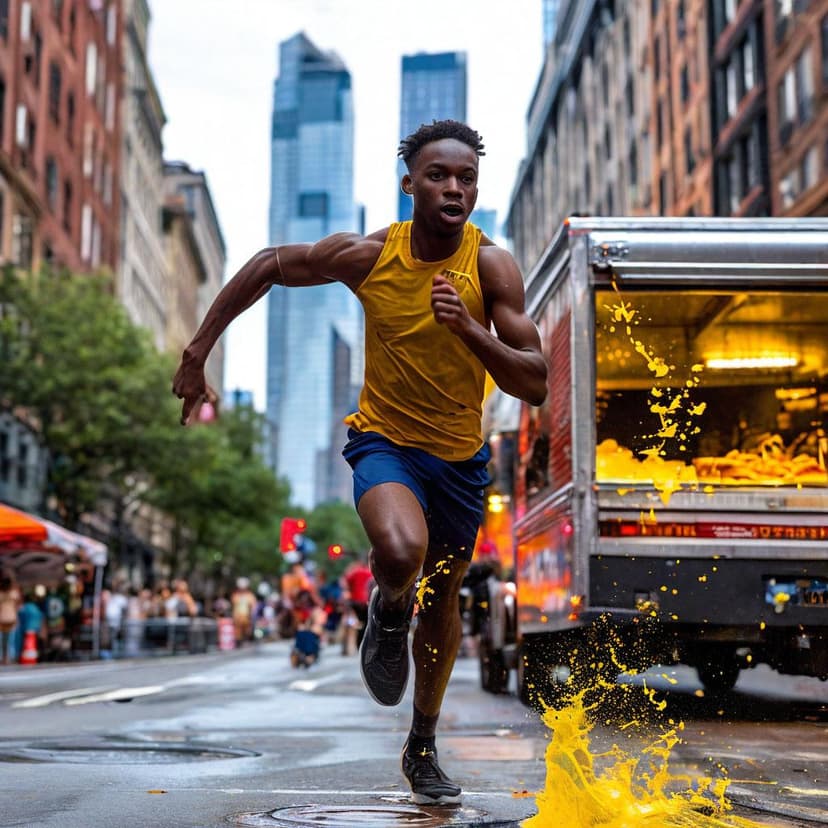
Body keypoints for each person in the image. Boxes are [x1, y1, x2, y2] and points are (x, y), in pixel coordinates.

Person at [172, 120, 547, 804]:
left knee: (443, 601)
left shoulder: (492, 267)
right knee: (401, 553)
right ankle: (388, 603)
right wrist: (199, 350)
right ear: (409, 185)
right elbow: (267, 265)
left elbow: (535, 380)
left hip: (460, 461)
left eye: (466, 178)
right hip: (386, 443)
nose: (454, 188)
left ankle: (422, 744)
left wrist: (468, 328)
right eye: (438, 176)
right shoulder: (371, 256)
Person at [0, 571, 22, 665]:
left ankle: (2, 658)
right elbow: (18, 607)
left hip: (1, 619)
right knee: (10, 641)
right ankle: (10, 658)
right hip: (11, 618)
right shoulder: (14, 593)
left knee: (1, 641)